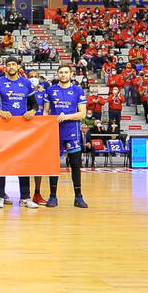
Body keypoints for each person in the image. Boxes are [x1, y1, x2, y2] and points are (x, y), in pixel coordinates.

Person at [0, 56, 39, 208]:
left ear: (18, 66)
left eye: (13, 64)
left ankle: (25, 197)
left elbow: (35, 104)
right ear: (5, 67)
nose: (11, 67)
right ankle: (0, 196)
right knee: (1, 161)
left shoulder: (26, 83)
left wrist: (33, 111)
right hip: (3, 127)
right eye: (8, 65)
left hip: (21, 128)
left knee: (23, 161)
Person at [45, 63, 89, 208]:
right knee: (52, 165)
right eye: (61, 72)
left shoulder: (78, 90)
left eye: (66, 72)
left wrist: (67, 116)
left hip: (72, 133)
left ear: (71, 75)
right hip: (54, 133)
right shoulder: (50, 90)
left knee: (75, 165)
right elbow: (45, 112)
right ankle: (52, 196)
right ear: (57, 74)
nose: (63, 75)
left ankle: (78, 196)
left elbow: (82, 113)